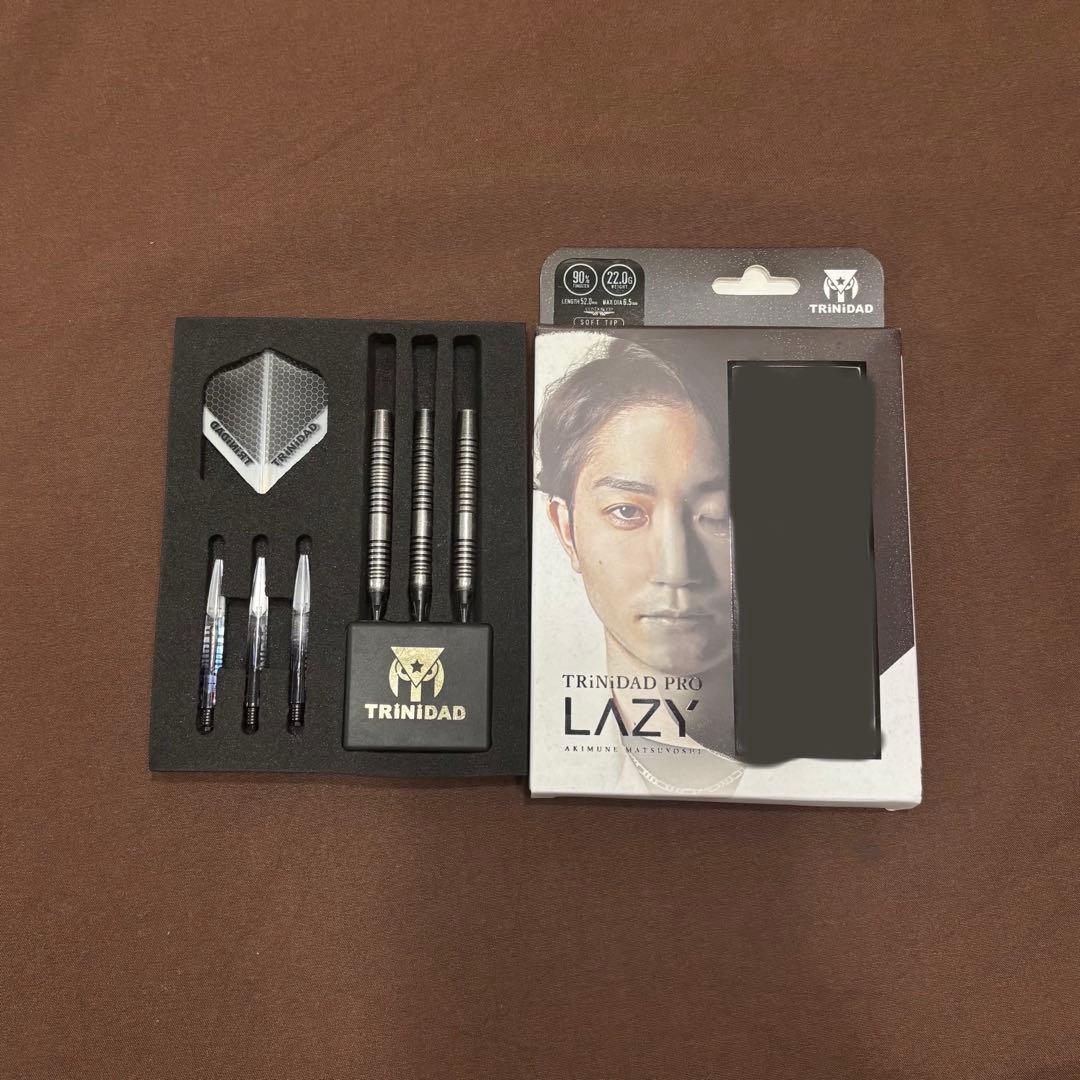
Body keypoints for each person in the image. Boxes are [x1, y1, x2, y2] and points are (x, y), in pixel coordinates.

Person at [535, 334, 743, 795]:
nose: (676, 567)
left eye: (719, 515)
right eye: (627, 511)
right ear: (566, 530)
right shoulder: (537, 746)